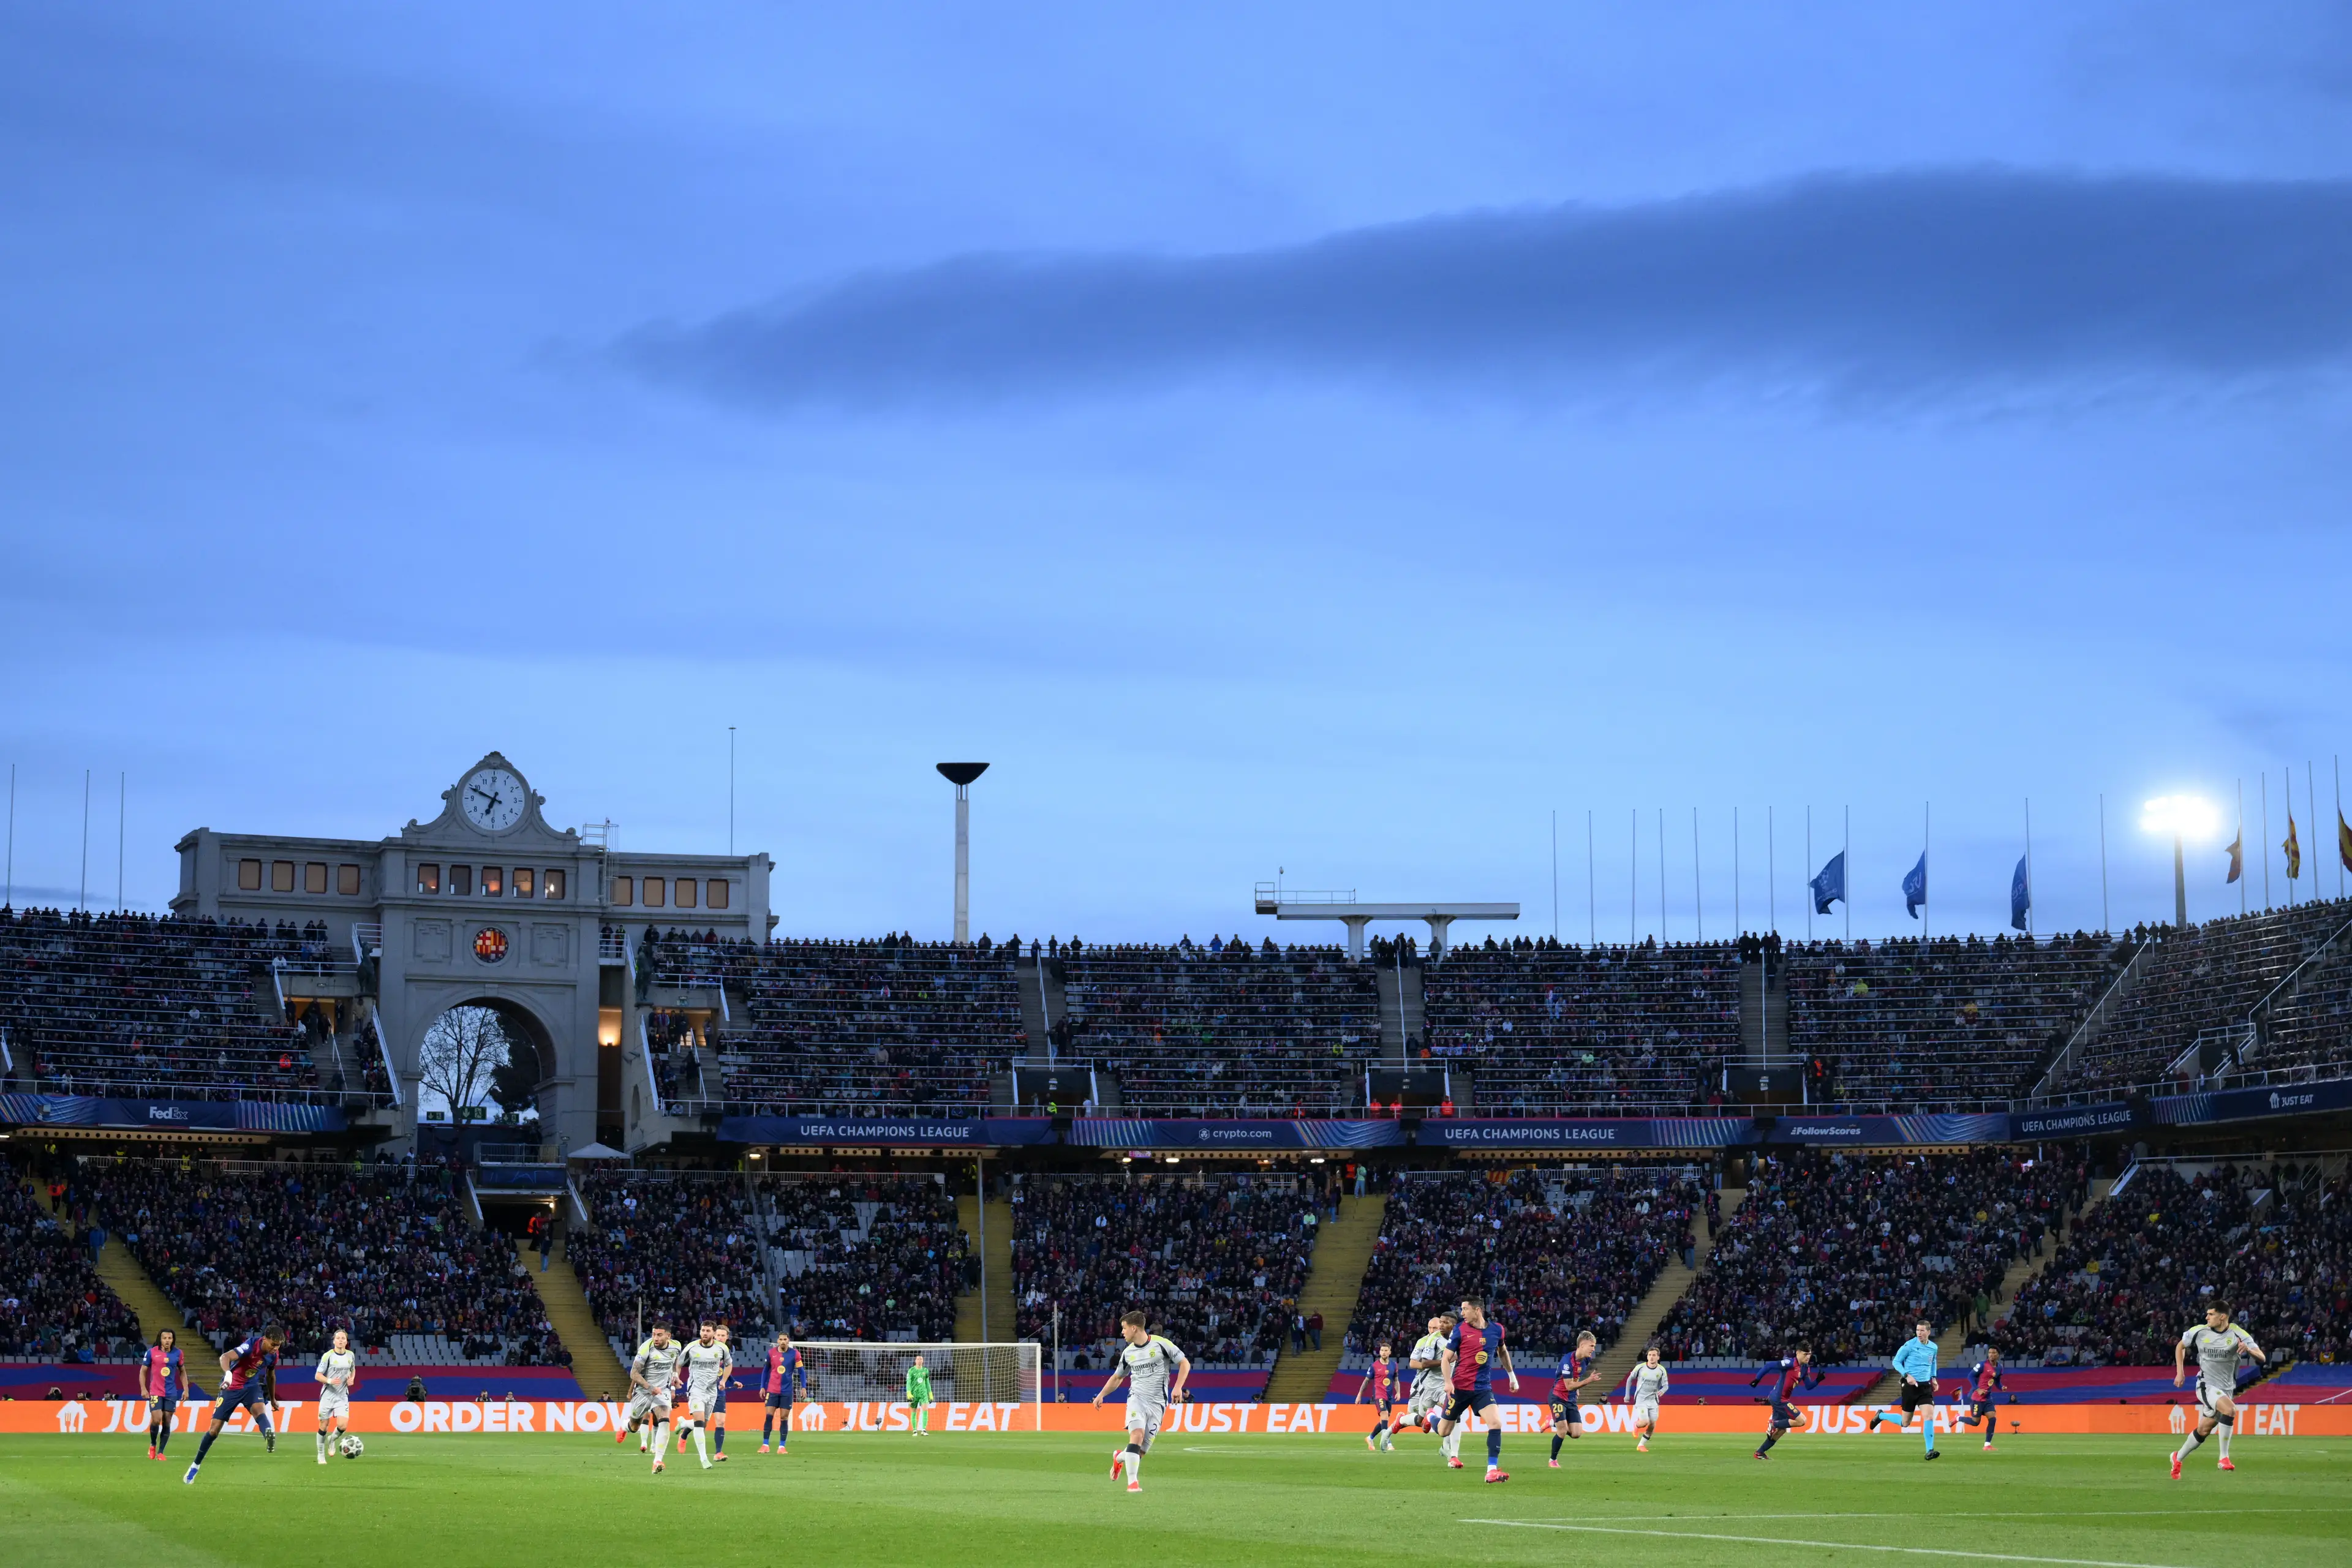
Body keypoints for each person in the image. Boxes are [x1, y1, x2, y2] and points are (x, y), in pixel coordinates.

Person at [1091, 1311, 1189, 1494]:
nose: (1122, 1333)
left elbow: (1185, 1363)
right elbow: (1117, 1378)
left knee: (1140, 1452)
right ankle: (1133, 1482)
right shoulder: (1128, 1353)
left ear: (1134, 1328)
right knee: (1136, 1435)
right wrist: (1101, 1395)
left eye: (1124, 1328)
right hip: (1136, 1399)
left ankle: (1119, 1458)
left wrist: (1178, 1388)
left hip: (1158, 1404)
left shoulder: (1162, 1345)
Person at [2171, 1305, 2264, 1479]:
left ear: (2222, 1317)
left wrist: (2249, 1350)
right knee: (2230, 1410)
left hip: (2227, 1389)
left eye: (2211, 1314)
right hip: (2206, 1385)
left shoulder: (2238, 1334)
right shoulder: (2199, 1332)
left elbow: (2262, 1358)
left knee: (2204, 1430)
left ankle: (2177, 1457)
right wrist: (2180, 1371)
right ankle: (2224, 1458)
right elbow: (2180, 1346)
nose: (2206, 1317)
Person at [183, 1325, 284, 1484]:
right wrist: (228, 1374)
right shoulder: (251, 1345)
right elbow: (225, 1357)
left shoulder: (274, 1356)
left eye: (279, 1345)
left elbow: (271, 1376)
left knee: (259, 1411)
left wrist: (273, 1399)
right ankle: (195, 1465)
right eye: (273, 1344)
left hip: (251, 1387)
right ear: (265, 1339)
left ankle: (269, 1434)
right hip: (231, 1388)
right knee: (214, 1430)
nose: (276, 1348)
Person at [1435, 1295, 1515, 1483]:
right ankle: (1431, 1416)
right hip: (1460, 1389)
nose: (1462, 1313)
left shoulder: (1497, 1330)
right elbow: (1446, 1358)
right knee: (1443, 1431)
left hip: (1482, 1388)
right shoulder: (1460, 1330)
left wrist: (1512, 1377)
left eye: (1465, 1309)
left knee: (1496, 1423)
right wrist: (1448, 1382)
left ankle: (1491, 1470)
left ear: (1477, 1310)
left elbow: (1502, 1352)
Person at [1865, 1321, 1943, 1460]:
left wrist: (1934, 1378)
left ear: (1929, 1332)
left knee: (1929, 1416)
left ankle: (1930, 1450)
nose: (1919, 1333)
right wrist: (1907, 1376)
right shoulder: (1909, 1346)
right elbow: (1896, 1362)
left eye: (1922, 1331)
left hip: (1925, 1386)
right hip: (1909, 1387)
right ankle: (1881, 1416)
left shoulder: (1933, 1348)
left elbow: (1933, 1362)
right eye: (1918, 1330)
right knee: (1905, 1423)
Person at [619, 1323, 683, 1474]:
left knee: (665, 1421)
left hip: (663, 1391)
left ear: (669, 1336)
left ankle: (658, 1461)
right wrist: (650, 1388)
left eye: (659, 1335)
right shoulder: (646, 1348)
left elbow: (675, 1361)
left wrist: (675, 1376)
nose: (655, 1338)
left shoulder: (676, 1346)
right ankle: (625, 1426)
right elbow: (634, 1374)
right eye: (654, 1334)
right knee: (635, 1426)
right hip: (643, 1391)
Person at [1748, 1346, 1824, 1460]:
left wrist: (1818, 1380)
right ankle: (1774, 1424)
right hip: (1779, 1399)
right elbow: (1769, 1366)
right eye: (1805, 1354)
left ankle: (1760, 1452)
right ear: (1798, 1353)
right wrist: (1757, 1379)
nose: (1808, 1356)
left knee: (1781, 1431)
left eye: (1809, 1354)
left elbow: (1808, 1386)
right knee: (1802, 1420)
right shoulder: (1790, 1363)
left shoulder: (1805, 1368)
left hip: (1782, 1399)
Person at [676, 1319, 731, 1471]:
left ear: (713, 1333)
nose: (705, 1333)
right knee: (700, 1424)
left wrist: (724, 1381)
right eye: (703, 1330)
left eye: (708, 1331)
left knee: (702, 1424)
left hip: (712, 1392)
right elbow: (679, 1363)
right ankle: (704, 1459)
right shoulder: (692, 1347)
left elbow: (729, 1364)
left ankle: (684, 1424)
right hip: (696, 1390)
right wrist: (676, 1377)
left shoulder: (721, 1348)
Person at [1547, 1330, 1599, 1468]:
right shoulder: (1567, 1362)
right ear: (1582, 1346)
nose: (1594, 1349)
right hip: (1558, 1397)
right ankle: (1552, 1460)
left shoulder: (1586, 1360)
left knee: (1576, 1434)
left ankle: (1552, 1422)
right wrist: (1587, 1381)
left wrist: (1578, 1388)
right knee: (1563, 1431)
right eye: (1591, 1346)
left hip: (1571, 1399)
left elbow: (1576, 1378)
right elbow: (1569, 1386)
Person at [314, 1327, 358, 1464]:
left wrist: (352, 1378)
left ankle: (332, 1440)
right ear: (334, 1341)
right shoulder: (328, 1356)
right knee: (324, 1425)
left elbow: (353, 1369)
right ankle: (321, 1454)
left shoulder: (351, 1355)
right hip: (328, 1394)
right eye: (338, 1338)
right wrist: (330, 1381)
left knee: (343, 1425)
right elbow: (318, 1376)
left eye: (343, 1338)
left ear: (346, 1341)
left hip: (342, 1395)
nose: (340, 1340)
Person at [142, 1328, 187, 1462]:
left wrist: (186, 1389)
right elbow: (143, 1371)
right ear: (160, 1339)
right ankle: (153, 1445)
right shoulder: (152, 1352)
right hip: (155, 1391)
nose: (167, 1341)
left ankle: (161, 1452)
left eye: (170, 1338)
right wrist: (143, 1389)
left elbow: (182, 1372)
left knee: (167, 1421)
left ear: (173, 1339)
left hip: (171, 1393)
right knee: (156, 1419)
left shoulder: (178, 1353)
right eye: (164, 1338)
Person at [1406, 1314, 1452, 1435]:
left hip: (1443, 1384)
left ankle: (1449, 1449)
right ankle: (1399, 1422)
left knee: (1452, 1412)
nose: (1432, 1331)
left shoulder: (1451, 1340)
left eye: (1435, 1328)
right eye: (1430, 1328)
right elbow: (1413, 1363)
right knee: (1417, 1418)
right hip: (1424, 1385)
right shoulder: (1422, 1342)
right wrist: (1437, 1363)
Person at [760, 1330, 803, 1454]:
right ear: (777, 1341)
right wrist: (763, 1386)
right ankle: (765, 1445)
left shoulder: (795, 1354)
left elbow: (802, 1372)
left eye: (785, 1339)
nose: (783, 1342)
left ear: (788, 1340)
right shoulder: (771, 1353)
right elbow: (765, 1371)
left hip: (787, 1391)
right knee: (769, 1416)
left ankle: (782, 1447)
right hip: (772, 1390)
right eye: (781, 1339)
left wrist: (804, 1387)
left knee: (784, 1418)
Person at [1954, 1348, 2003, 1451]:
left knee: (1993, 1418)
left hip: (1988, 1398)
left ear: (1998, 1355)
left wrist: (2002, 1387)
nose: (1991, 1355)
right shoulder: (1982, 1365)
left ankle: (1987, 1445)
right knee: (1975, 1422)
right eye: (1990, 1352)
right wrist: (1978, 1389)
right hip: (1977, 1397)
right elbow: (1970, 1376)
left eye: (1994, 1353)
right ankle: (1958, 1418)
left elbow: (1997, 1381)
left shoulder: (2000, 1368)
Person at [1626, 1345, 1670, 1453]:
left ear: (1658, 1357)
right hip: (1641, 1398)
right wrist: (1627, 1395)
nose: (1651, 1357)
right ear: (1647, 1357)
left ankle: (1641, 1445)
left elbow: (1666, 1385)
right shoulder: (1640, 1368)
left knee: (1652, 1424)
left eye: (1654, 1355)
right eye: (1650, 1355)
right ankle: (1636, 1425)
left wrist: (1663, 1391)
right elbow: (1630, 1379)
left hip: (1653, 1399)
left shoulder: (1661, 1370)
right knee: (1644, 1422)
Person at [1363, 1340, 1398, 1452]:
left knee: (1384, 1420)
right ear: (1380, 1352)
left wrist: (1399, 1392)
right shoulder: (1374, 1366)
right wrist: (1359, 1395)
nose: (1383, 1352)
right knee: (1384, 1415)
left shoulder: (1394, 1365)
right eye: (1382, 1350)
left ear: (1390, 1352)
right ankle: (1387, 1443)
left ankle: (1370, 1438)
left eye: (1386, 1350)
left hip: (1389, 1396)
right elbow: (1366, 1381)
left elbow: (1396, 1380)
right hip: (1379, 1395)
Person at [905, 1352, 934, 1437]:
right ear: (915, 1361)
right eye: (918, 1359)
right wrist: (909, 1393)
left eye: (921, 1359)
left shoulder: (925, 1371)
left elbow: (927, 1383)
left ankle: (924, 1430)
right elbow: (908, 1382)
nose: (919, 1360)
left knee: (925, 1410)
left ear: (923, 1361)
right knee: (914, 1412)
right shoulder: (911, 1370)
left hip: (923, 1393)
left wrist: (930, 1394)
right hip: (914, 1394)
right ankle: (914, 1430)